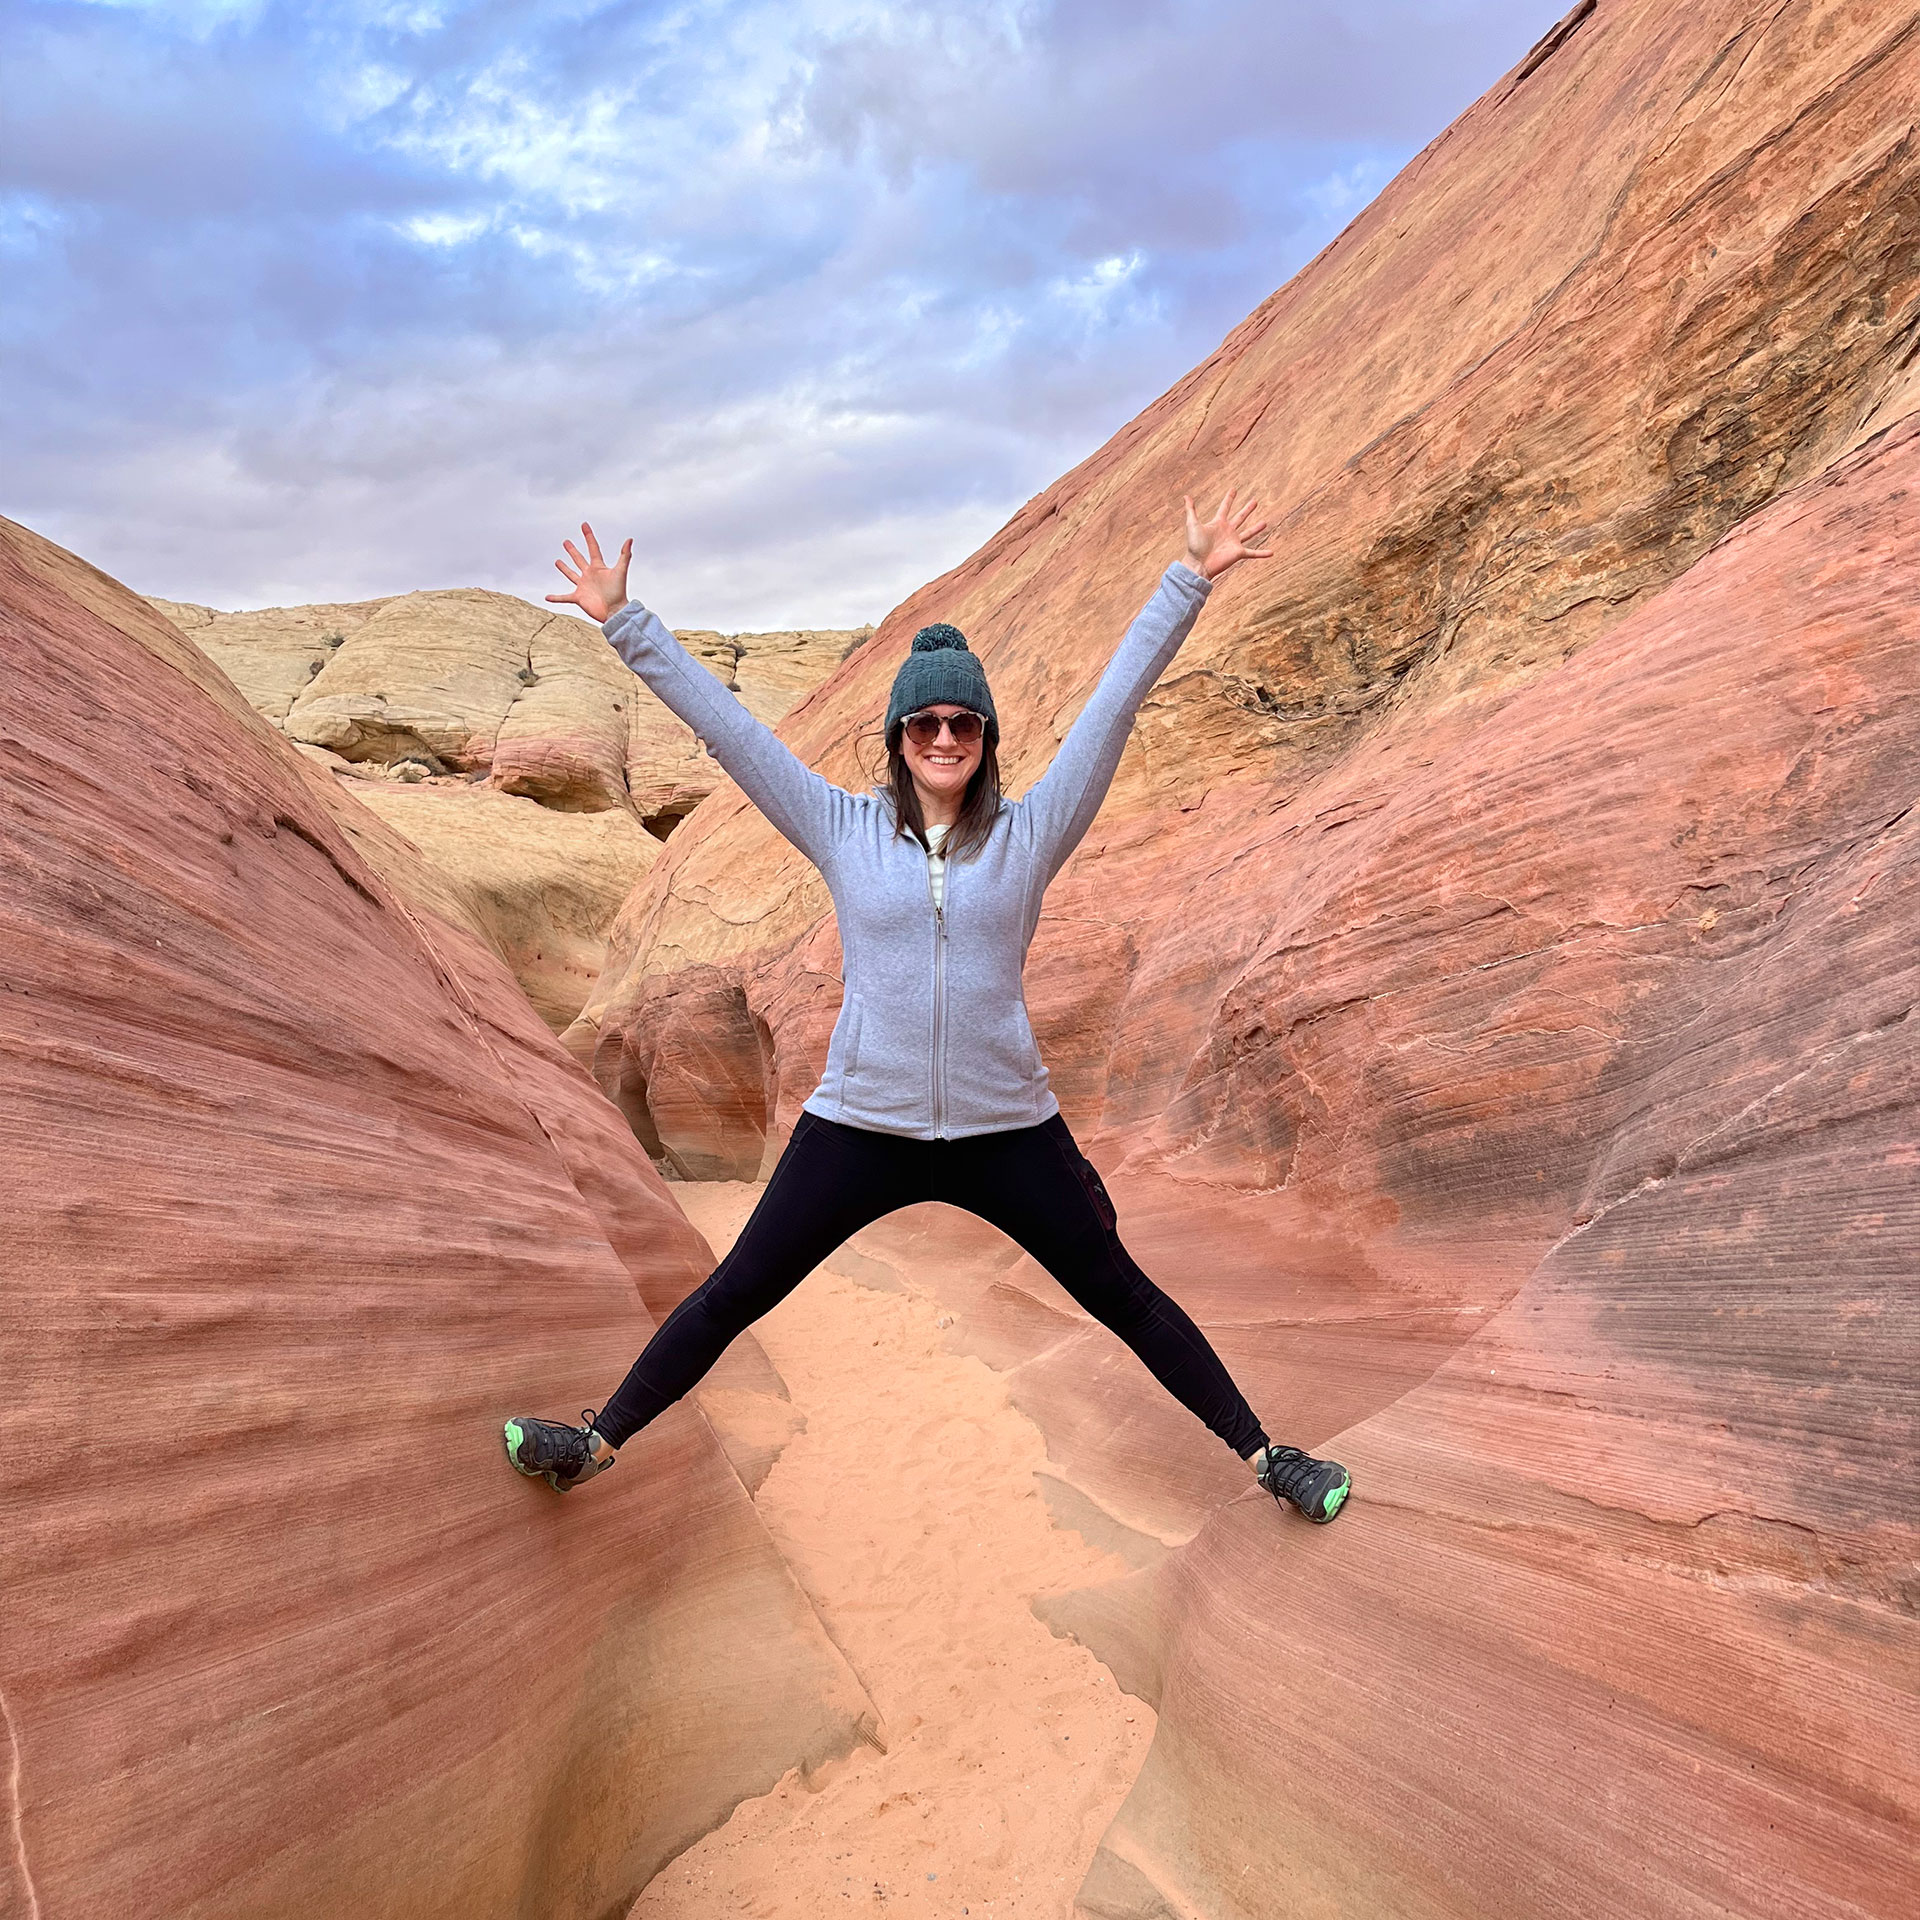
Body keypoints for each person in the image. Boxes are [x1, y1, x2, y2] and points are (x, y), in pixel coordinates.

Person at [502, 493, 1351, 1525]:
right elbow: (731, 736)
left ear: (985, 736)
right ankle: (592, 1443)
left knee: (1122, 1293)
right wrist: (626, 622)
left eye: (963, 721)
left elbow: (1113, 708)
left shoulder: (1031, 835)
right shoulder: (841, 827)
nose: (944, 735)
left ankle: (1268, 1459)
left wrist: (1189, 579)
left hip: (1007, 1129)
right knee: (739, 1291)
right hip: (865, 1125)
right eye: (925, 721)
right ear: (901, 736)